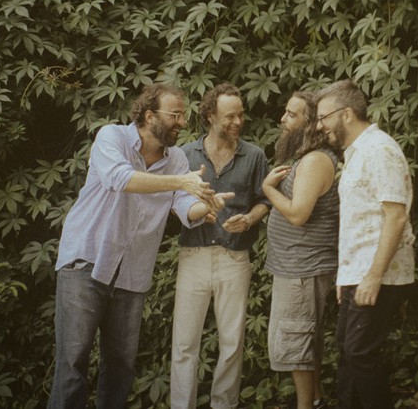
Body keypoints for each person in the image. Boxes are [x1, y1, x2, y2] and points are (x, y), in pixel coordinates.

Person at [48, 84, 232, 409]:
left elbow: (184, 206)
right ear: (149, 116)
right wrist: (182, 181)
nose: (182, 122)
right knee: (72, 365)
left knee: (121, 368)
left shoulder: (175, 158)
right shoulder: (112, 137)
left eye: (183, 115)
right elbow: (122, 179)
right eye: (175, 114)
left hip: (131, 275)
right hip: (86, 263)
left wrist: (208, 205)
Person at [315, 79, 415, 409]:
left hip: (378, 273)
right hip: (359, 273)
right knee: (348, 351)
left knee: (360, 354)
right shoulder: (357, 153)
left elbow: (395, 217)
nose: (320, 126)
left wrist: (372, 276)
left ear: (346, 114)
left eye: (323, 117)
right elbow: (360, 222)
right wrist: (348, 277)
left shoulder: (379, 150)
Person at [170, 83, 271, 409]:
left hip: (234, 257)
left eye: (241, 115)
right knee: (185, 344)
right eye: (230, 116)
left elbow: (265, 200)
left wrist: (250, 219)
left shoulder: (254, 155)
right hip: (193, 256)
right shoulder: (184, 155)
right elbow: (172, 202)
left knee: (232, 341)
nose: (238, 122)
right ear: (210, 115)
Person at [262, 91, 339, 409]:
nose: (283, 119)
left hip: (303, 269)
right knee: (303, 340)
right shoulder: (304, 158)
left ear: (310, 123)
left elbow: (297, 214)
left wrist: (267, 189)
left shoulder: (314, 161)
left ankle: (307, 406)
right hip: (297, 267)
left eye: (291, 114)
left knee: (296, 343)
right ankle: (316, 401)